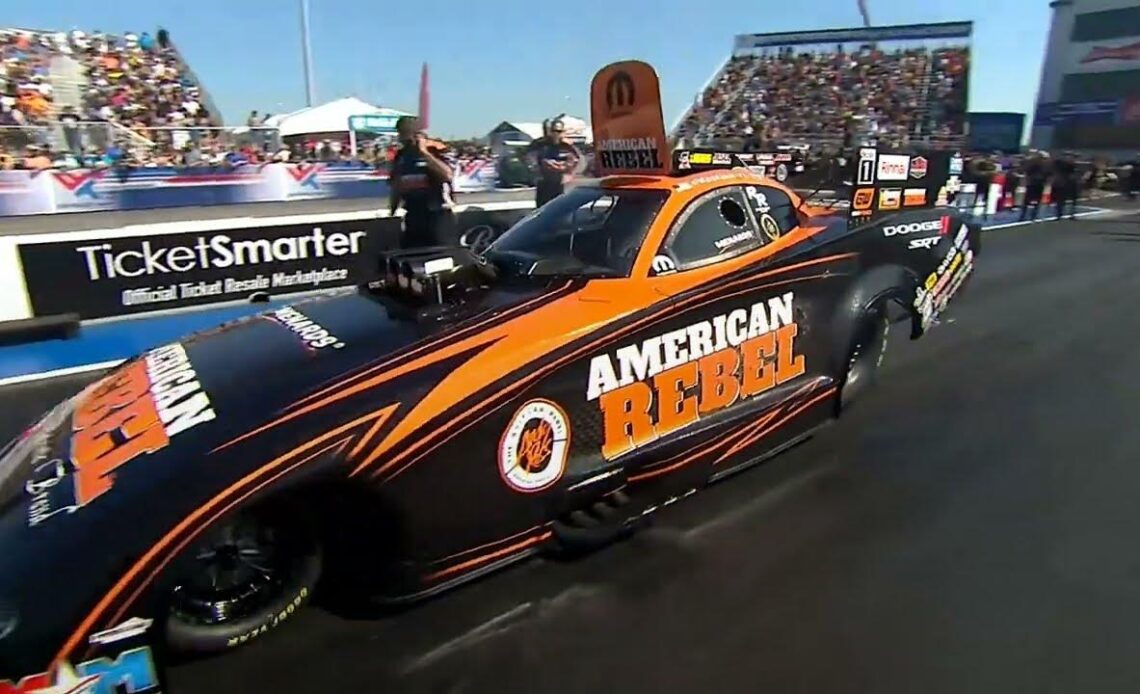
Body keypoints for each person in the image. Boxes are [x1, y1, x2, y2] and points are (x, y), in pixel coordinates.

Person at [388, 115, 455, 249]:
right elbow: (396, 185)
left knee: (441, 257)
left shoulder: (436, 150)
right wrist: (392, 212)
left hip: (437, 214)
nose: (402, 137)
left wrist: (424, 153)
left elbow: (447, 174)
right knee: (412, 255)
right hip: (413, 214)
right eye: (400, 133)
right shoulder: (401, 155)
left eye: (405, 133)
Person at [527, 118, 580, 207]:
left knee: (558, 207)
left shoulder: (567, 146)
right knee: (542, 208)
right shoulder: (539, 144)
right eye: (554, 131)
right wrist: (536, 167)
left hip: (558, 182)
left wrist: (567, 170)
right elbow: (529, 158)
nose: (556, 134)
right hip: (543, 182)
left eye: (559, 131)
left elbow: (577, 160)